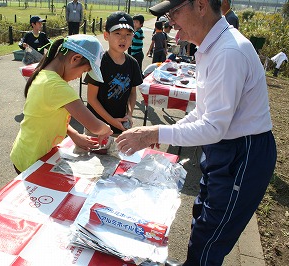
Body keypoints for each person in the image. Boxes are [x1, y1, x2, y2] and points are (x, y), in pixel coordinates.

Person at [116, 0, 277, 265]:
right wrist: (164, 132)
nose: (171, 21)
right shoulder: (211, 47)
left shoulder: (228, 52)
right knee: (202, 219)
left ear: (201, 5)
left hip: (242, 154)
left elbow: (213, 126)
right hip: (225, 146)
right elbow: (203, 112)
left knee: (211, 237)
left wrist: (153, 133)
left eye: (174, 12)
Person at [10, 34, 113, 173]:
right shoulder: (57, 86)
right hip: (32, 161)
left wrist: (74, 134)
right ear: (75, 59)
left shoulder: (45, 75)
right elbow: (94, 126)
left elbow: (48, 117)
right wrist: (107, 130)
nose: (79, 76)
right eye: (84, 71)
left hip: (27, 152)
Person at [84, 11, 143, 136]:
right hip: (96, 127)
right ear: (106, 35)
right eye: (117, 33)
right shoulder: (98, 62)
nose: (123, 38)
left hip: (120, 127)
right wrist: (112, 121)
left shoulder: (133, 63)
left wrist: (129, 114)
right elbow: (91, 98)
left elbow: (132, 93)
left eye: (128, 34)